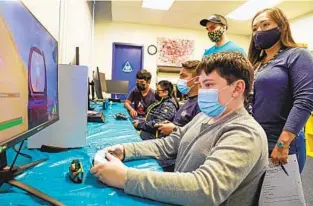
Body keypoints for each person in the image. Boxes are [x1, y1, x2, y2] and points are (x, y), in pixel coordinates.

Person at [91, 52, 269, 206]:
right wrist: (125, 150)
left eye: (208, 85)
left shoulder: (245, 133)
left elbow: (205, 189)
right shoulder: (204, 117)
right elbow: (168, 145)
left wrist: (125, 178)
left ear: (237, 88)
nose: (202, 91)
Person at [248, 7, 313, 173]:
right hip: (255, 140)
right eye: (255, 28)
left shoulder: (297, 55)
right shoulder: (257, 64)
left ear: (282, 26)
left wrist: (283, 143)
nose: (259, 31)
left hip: (281, 143)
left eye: (265, 24)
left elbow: (305, 100)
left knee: (280, 197)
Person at [157, 60, 201, 136]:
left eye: (183, 76)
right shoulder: (188, 101)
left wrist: (174, 129)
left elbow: (198, 135)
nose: (179, 79)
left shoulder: (200, 104)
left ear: (196, 80)